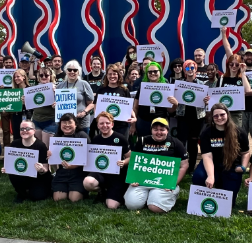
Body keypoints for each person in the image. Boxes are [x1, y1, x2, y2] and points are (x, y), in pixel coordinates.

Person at [124, 118, 188, 213]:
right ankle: (149, 196)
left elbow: (184, 165)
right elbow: (134, 161)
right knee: (132, 205)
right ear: (151, 130)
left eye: (162, 129)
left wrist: (173, 184)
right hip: (142, 181)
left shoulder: (176, 143)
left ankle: (167, 194)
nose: (159, 132)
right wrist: (133, 179)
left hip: (164, 183)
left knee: (155, 208)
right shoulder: (142, 141)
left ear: (167, 130)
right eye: (155, 129)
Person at [192, 103, 250, 206]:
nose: (219, 118)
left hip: (231, 166)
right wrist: (210, 176)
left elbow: (245, 153)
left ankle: (223, 185)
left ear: (227, 114)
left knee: (228, 204)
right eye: (215, 116)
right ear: (212, 118)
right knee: (199, 177)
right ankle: (202, 197)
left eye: (222, 114)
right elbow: (207, 156)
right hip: (212, 164)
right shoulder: (206, 133)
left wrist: (243, 167)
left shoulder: (239, 132)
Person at [83, 112, 131, 209]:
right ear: (97, 125)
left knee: (112, 206)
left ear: (112, 124)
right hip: (101, 172)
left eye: (107, 123)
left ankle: (115, 192)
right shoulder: (96, 139)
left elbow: (131, 157)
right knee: (88, 182)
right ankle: (102, 191)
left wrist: (124, 162)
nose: (104, 126)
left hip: (117, 175)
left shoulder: (120, 138)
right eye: (101, 123)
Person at [1, 120, 52, 203]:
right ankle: (21, 193)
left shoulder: (40, 145)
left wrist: (41, 169)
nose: (24, 131)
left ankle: (39, 189)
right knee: (12, 171)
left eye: (28, 128)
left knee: (38, 197)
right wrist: (6, 168)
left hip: (39, 177)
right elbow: (10, 163)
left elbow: (46, 168)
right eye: (22, 129)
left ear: (34, 131)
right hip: (22, 174)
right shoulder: (15, 144)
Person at [48, 113, 91, 202]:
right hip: (62, 173)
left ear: (75, 124)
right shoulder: (57, 137)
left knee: (74, 199)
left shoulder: (82, 136)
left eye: (70, 122)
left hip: (78, 173)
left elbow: (89, 157)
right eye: (64, 122)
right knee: (58, 199)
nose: (67, 125)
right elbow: (54, 158)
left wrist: (74, 166)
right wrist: (50, 155)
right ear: (60, 125)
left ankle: (82, 190)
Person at [176, 60, 209, 174]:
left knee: (193, 142)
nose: (190, 70)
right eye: (187, 68)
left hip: (197, 117)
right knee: (181, 141)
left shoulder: (202, 85)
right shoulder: (179, 84)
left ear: (196, 69)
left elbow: (207, 102)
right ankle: (179, 166)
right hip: (183, 116)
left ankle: (191, 168)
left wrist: (206, 101)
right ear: (184, 71)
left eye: (192, 68)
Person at [130, 62, 177, 137]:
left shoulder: (166, 88)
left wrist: (175, 104)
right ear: (147, 74)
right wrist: (133, 125)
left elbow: (170, 111)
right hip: (143, 122)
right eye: (150, 72)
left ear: (160, 72)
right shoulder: (142, 87)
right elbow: (135, 107)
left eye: (155, 71)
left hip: (161, 122)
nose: (152, 73)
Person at [94, 64, 136, 139]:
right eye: (110, 74)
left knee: (122, 148)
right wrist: (99, 121)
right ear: (106, 76)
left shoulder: (124, 90)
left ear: (118, 75)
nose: (112, 76)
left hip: (122, 126)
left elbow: (129, 108)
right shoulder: (101, 90)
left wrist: (134, 118)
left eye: (114, 74)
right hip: (105, 126)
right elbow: (96, 107)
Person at [56, 60, 94, 134]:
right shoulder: (60, 86)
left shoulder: (84, 84)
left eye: (75, 70)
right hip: (65, 124)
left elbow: (91, 103)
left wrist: (84, 112)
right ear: (66, 71)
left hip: (81, 122)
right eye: (69, 70)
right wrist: (55, 105)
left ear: (78, 72)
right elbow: (58, 103)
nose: (72, 72)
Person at [217, 54, 250, 127]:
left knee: (236, 135)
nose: (234, 66)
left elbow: (247, 91)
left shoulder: (242, 78)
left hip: (237, 113)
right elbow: (216, 95)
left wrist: (243, 72)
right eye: (231, 64)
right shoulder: (222, 79)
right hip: (223, 112)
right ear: (228, 65)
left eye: (237, 64)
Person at [31, 67, 57, 148]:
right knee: (38, 147)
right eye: (41, 75)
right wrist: (25, 101)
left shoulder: (56, 88)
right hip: (36, 121)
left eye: (46, 75)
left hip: (50, 122)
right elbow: (30, 105)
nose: (44, 77)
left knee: (46, 148)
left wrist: (56, 96)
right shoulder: (33, 89)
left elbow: (62, 106)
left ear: (50, 76)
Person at [11, 69, 32, 140]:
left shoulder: (30, 89)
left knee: (27, 136)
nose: (16, 78)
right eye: (15, 77)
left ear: (24, 77)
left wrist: (26, 102)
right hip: (16, 116)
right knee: (17, 136)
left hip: (28, 116)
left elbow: (34, 105)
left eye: (18, 76)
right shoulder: (13, 91)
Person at [1, 55, 15, 148]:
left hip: (15, 102)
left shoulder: (16, 73)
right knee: (5, 130)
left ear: (13, 63)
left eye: (10, 62)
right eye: (6, 62)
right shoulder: (0, 74)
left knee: (16, 128)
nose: (8, 64)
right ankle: (7, 149)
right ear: (4, 63)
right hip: (4, 103)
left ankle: (16, 148)